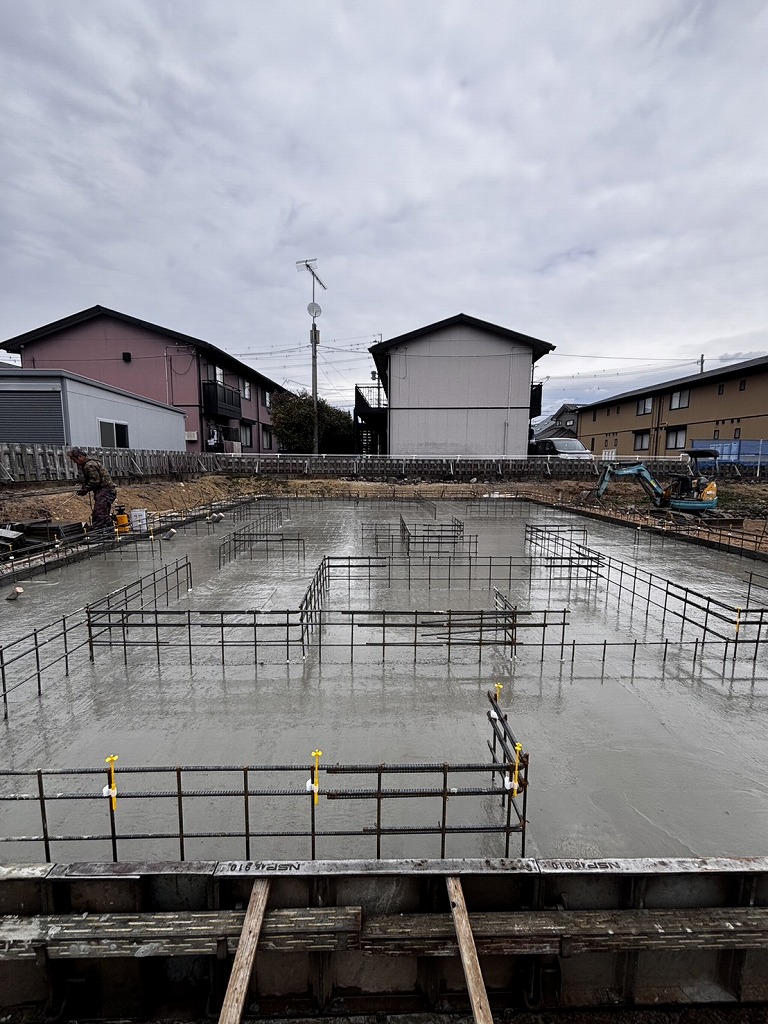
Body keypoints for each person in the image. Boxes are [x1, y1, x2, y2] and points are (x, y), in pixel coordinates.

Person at [67, 448, 117, 533]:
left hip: (105, 491)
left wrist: (85, 489)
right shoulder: (91, 462)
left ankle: (99, 532)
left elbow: (95, 481)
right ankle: (109, 531)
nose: (74, 462)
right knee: (103, 513)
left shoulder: (89, 465)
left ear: (80, 456)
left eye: (74, 459)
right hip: (106, 490)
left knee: (99, 513)